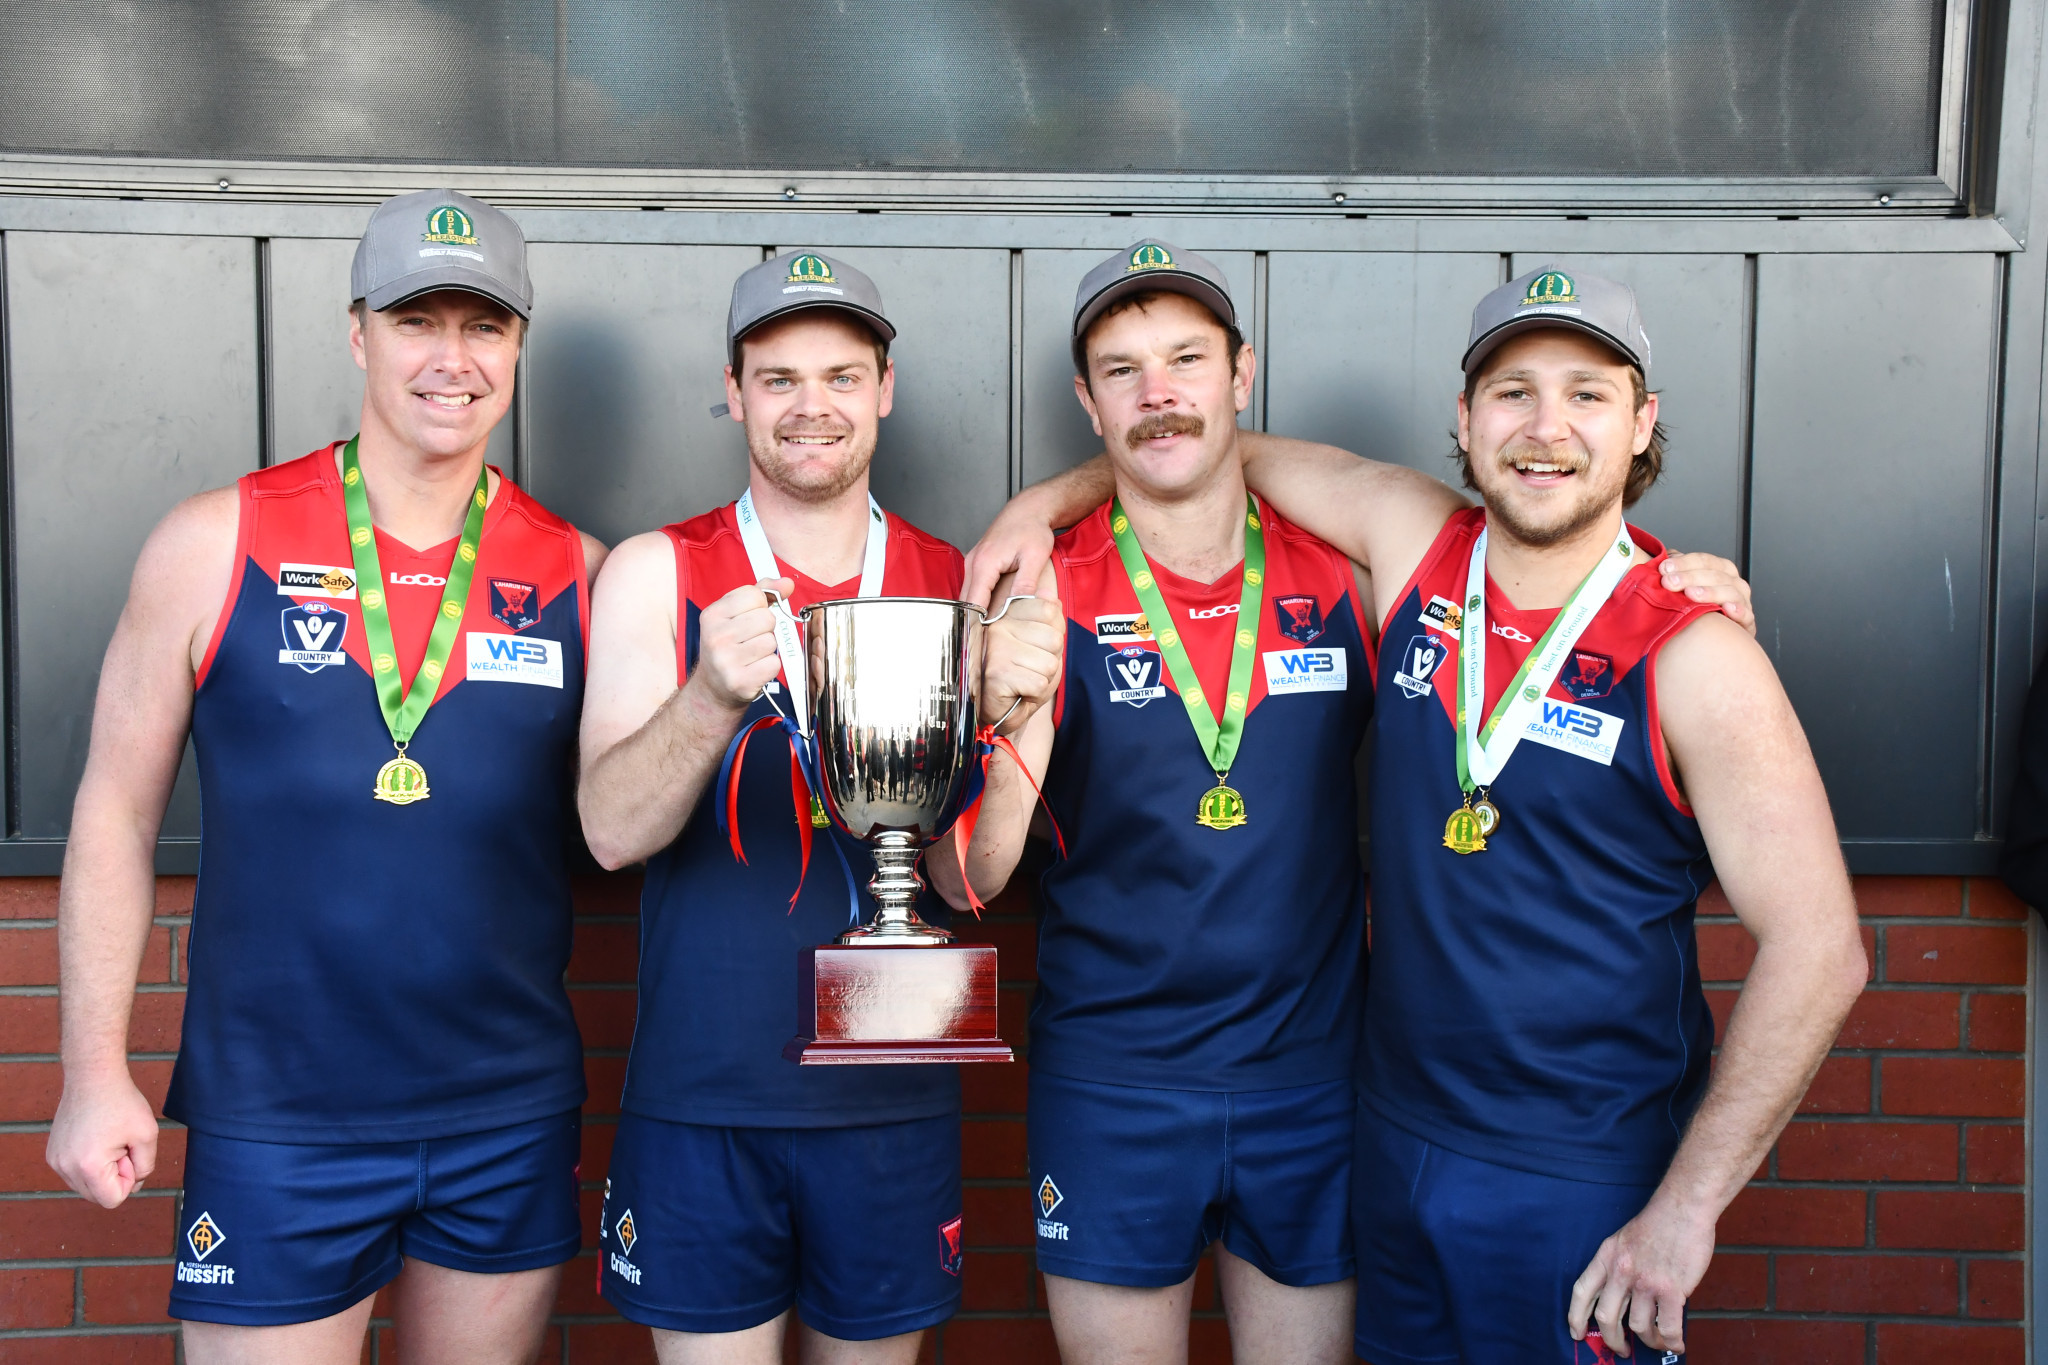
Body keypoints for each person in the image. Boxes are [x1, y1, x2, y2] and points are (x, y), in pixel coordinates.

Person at [970, 265, 1864, 1362]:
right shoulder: (1415, 550)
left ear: (1641, 424)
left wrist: (1685, 1209)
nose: (1545, 428)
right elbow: (1191, 449)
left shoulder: (1693, 650)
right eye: (1511, 393)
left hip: (1579, 1167)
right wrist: (1032, 510)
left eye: (1586, 394)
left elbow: (1821, 952)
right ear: (1464, 420)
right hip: (1390, 1139)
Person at [45, 190, 604, 1363]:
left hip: (503, 1107)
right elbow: (112, 809)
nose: (450, 359)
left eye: (484, 326)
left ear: (516, 349)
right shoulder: (216, 539)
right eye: (417, 320)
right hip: (279, 1115)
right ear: (359, 334)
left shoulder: (580, 572)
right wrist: (94, 1073)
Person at [576, 250, 1062, 1365]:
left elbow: (963, 882)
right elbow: (609, 832)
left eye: (841, 376)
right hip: (706, 1094)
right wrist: (707, 696)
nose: (811, 407)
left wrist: (1017, 721)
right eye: (779, 377)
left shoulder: (957, 583)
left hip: (888, 1097)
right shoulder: (660, 571)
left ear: (884, 388)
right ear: (735, 390)